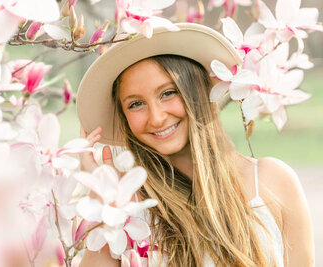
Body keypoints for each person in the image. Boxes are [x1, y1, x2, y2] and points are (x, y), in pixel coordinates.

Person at [76, 23, 314, 266]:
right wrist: (102, 205)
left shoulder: (271, 182)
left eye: (167, 93)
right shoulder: (130, 209)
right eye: (136, 104)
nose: (156, 118)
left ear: (197, 91)